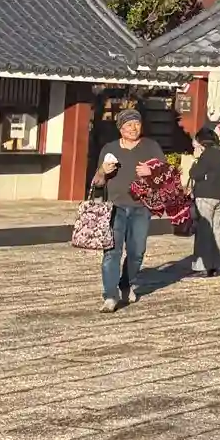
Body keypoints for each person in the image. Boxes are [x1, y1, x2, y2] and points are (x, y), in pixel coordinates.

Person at [92, 109, 162, 313]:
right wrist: (103, 171)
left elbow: (166, 176)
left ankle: (126, 284)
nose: (133, 128)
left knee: (136, 252)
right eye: (129, 124)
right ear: (120, 128)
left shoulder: (151, 146)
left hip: (142, 207)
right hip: (115, 208)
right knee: (112, 252)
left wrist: (152, 171)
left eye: (137, 124)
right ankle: (110, 296)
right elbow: (97, 181)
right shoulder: (110, 149)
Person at [188, 125, 220, 277]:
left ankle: (203, 266)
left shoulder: (207, 153)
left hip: (206, 194)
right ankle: (215, 264)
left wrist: (196, 160)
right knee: (216, 230)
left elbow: (195, 174)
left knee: (204, 231)